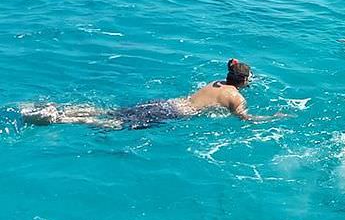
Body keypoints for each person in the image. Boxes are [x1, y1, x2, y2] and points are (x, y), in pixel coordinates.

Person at [21, 59, 286, 130]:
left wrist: (237, 66)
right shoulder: (236, 98)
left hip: (168, 103)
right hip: (177, 114)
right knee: (115, 123)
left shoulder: (218, 82)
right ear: (244, 81)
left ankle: (62, 109)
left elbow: (233, 64)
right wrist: (273, 117)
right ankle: (56, 119)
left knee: (115, 113)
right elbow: (245, 120)